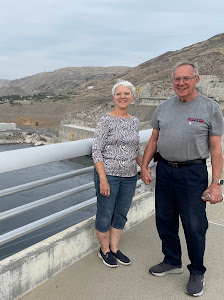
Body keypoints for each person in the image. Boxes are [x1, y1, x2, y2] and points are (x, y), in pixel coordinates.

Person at [141, 61, 223, 297]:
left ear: (197, 79)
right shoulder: (163, 108)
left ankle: (197, 271)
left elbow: (217, 149)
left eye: (186, 78)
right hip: (165, 171)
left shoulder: (210, 108)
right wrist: (145, 166)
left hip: (193, 173)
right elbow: (154, 140)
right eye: (177, 79)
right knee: (164, 220)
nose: (181, 83)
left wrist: (216, 182)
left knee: (194, 226)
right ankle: (172, 261)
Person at [93, 80, 143, 268]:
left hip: (130, 176)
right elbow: (96, 150)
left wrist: (144, 167)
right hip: (109, 175)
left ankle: (114, 248)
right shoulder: (106, 120)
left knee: (121, 213)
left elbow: (136, 150)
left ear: (132, 96)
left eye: (126, 93)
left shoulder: (135, 121)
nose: (123, 96)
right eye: (119, 94)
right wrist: (103, 180)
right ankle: (104, 250)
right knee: (105, 214)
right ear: (114, 97)